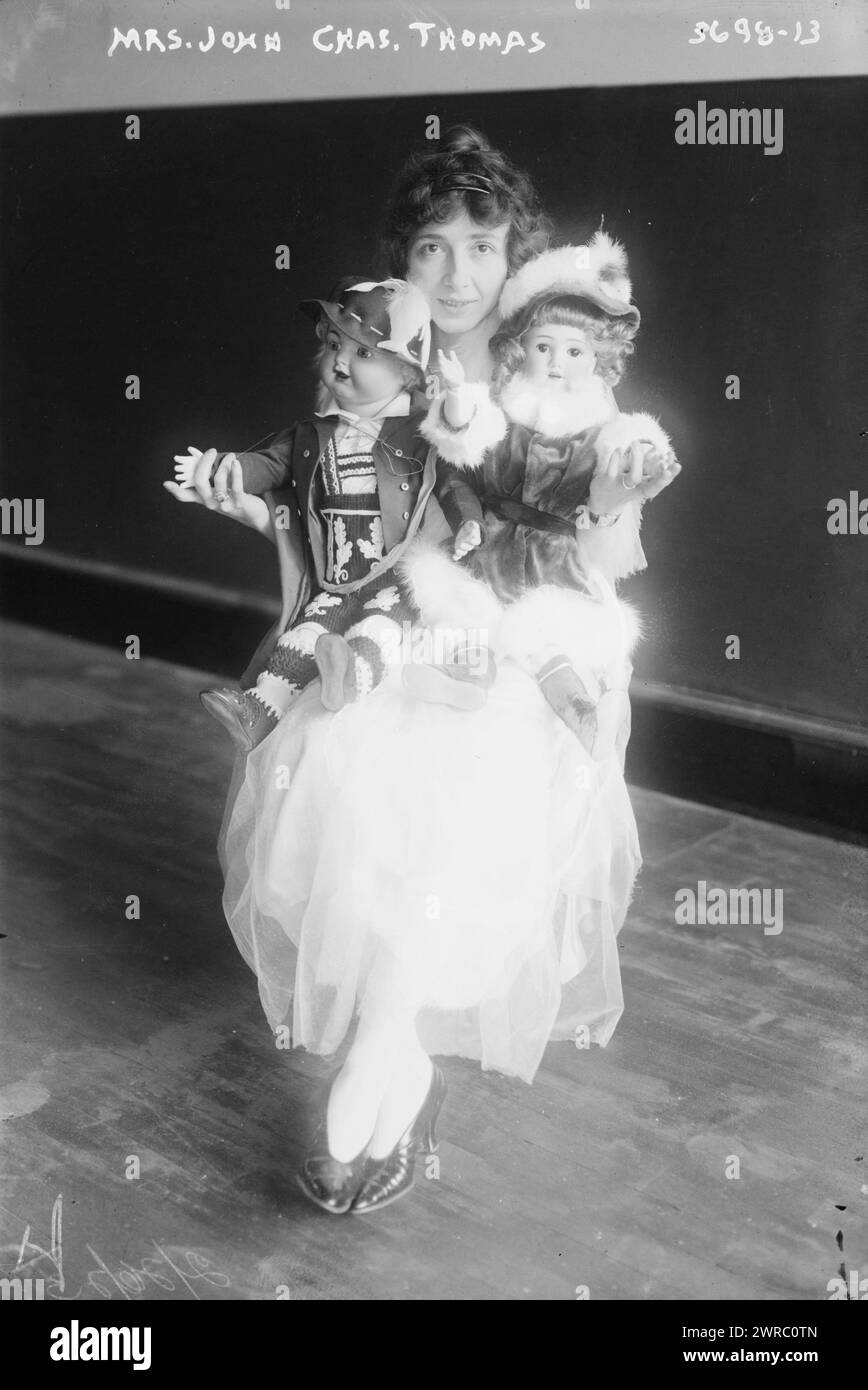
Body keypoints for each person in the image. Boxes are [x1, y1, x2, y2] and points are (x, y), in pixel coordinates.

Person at [166, 127, 679, 1217]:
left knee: (474, 779)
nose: (454, 275)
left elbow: (601, 550)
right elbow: (335, 533)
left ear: (515, 258)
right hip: (396, 627)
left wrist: (614, 498)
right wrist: (254, 506)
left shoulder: (554, 364)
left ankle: (380, 1060)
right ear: (402, 258)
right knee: (356, 756)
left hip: (527, 638)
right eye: (431, 248)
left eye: (480, 248)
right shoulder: (383, 362)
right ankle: (389, 1063)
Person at [170, 277, 493, 750]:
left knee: (379, 628)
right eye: (336, 345)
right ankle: (257, 711)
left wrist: (468, 523)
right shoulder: (310, 435)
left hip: (394, 578)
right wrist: (220, 469)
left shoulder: (420, 437)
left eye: (364, 353)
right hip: (337, 577)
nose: (340, 361)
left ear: (406, 373)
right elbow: (264, 464)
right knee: (306, 630)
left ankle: (350, 678)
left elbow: (453, 482)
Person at [401, 231, 680, 758]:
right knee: (465, 609)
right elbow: (463, 443)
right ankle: (463, 678)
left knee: (544, 636)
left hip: (554, 554)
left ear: (596, 360)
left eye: (575, 351)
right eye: (543, 347)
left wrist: (632, 471)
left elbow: (615, 479)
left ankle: (578, 710)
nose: (556, 362)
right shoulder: (504, 412)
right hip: (494, 541)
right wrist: (460, 396)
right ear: (520, 349)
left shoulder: (599, 430)